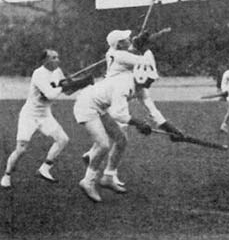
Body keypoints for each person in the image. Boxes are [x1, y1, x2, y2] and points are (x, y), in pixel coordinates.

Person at [73, 50, 183, 202]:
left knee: (121, 140)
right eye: (150, 80)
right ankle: (88, 181)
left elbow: (152, 110)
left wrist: (172, 130)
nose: (151, 83)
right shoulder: (124, 84)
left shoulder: (140, 87)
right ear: (141, 76)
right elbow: (118, 114)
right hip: (86, 105)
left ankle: (108, 177)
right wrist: (139, 123)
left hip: (101, 108)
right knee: (103, 145)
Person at [82, 29, 149, 188]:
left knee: (117, 136)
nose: (130, 39)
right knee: (119, 136)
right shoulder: (122, 55)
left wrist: (135, 44)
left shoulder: (111, 51)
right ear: (119, 43)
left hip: (110, 92)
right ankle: (106, 172)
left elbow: (129, 53)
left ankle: (100, 164)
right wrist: (142, 45)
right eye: (127, 39)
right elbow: (144, 61)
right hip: (115, 94)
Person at [1, 50, 70, 188]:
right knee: (21, 149)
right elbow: (51, 94)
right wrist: (62, 87)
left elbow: (67, 90)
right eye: (54, 57)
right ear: (45, 60)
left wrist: (79, 83)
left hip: (45, 115)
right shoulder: (38, 74)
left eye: (58, 57)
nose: (58, 60)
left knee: (63, 139)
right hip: (29, 116)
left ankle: (45, 168)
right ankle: (6, 175)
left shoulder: (58, 71)